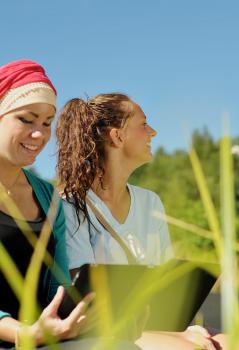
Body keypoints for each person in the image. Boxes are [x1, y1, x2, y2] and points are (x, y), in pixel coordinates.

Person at [56, 93, 226, 350]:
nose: (153, 132)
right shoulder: (69, 207)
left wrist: (179, 328)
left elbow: (164, 284)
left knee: (232, 341)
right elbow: (86, 303)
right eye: (144, 124)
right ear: (117, 136)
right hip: (103, 331)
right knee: (194, 347)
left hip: (153, 323)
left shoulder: (150, 203)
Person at [0, 60, 139, 350]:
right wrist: (25, 333)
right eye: (26, 119)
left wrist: (88, 314)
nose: (39, 134)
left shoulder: (48, 197)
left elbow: (57, 285)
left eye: (47, 123)